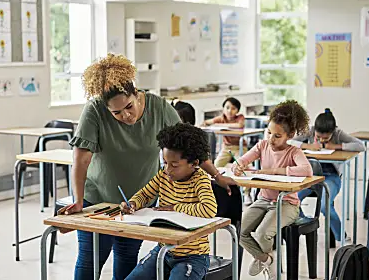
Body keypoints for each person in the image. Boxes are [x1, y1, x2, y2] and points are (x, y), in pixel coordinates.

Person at [58, 53, 236, 279]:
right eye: (116, 113)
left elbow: (190, 145)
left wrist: (217, 175)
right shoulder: (94, 110)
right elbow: (81, 160)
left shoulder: (159, 108)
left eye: (128, 107)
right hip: (99, 198)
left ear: (136, 94)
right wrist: (78, 200)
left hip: (138, 204)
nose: (125, 116)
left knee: (125, 256)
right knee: (90, 259)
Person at [122, 123, 216, 280]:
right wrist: (132, 203)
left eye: (174, 165)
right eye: (165, 163)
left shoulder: (200, 180)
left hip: (193, 256)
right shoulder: (163, 176)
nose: (167, 169)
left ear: (194, 164)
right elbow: (145, 194)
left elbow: (209, 209)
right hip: (163, 251)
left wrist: (175, 207)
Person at [232, 100, 313, 278]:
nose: (271, 138)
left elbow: (307, 170)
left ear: (290, 134)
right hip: (263, 200)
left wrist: (274, 171)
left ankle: (271, 269)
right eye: (269, 132)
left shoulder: (294, 152)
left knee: (262, 234)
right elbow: (242, 160)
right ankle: (267, 260)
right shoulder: (262, 145)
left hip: (287, 204)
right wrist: (238, 165)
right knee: (239, 232)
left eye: (277, 136)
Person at [287, 108, 365, 242]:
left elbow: (360, 146)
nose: (322, 140)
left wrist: (337, 146)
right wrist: (307, 146)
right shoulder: (310, 131)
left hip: (331, 177)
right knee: (291, 200)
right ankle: (306, 223)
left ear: (333, 132)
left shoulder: (338, 133)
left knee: (324, 205)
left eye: (326, 138)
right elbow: (289, 141)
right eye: (318, 137)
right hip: (310, 177)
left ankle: (341, 236)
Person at [202, 97, 252, 204]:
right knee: (216, 165)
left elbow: (239, 125)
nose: (230, 111)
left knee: (243, 167)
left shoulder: (240, 117)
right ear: (223, 109)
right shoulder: (221, 118)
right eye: (227, 108)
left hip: (240, 147)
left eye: (233, 108)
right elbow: (207, 122)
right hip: (226, 148)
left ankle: (246, 193)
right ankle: (217, 190)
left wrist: (220, 125)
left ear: (237, 111)